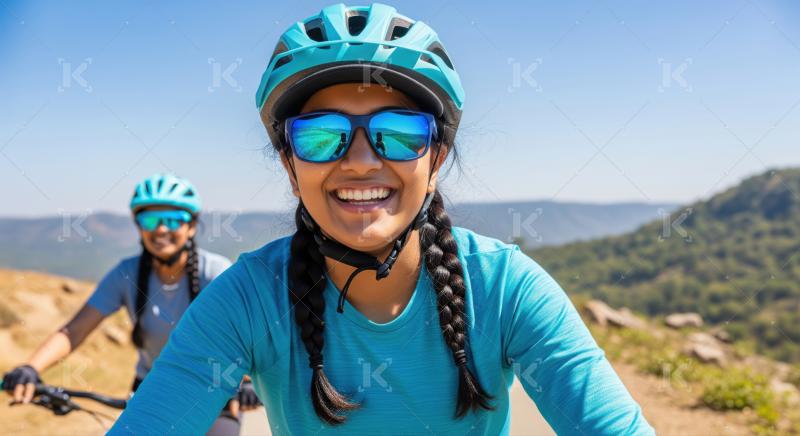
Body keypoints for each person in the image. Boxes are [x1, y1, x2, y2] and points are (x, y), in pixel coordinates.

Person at [110, 4, 655, 435]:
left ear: (436, 159)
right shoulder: (249, 298)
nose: (362, 159)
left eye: (399, 133)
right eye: (322, 136)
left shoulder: (506, 289)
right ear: (289, 163)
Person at [2, 173, 260, 434]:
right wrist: (30, 367)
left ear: (191, 226)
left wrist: (248, 382)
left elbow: (249, 334)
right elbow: (74, 330)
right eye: (150, 220)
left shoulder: (216, 272)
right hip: (152, 392)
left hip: (215, 394)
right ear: (139, 226)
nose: (160, 229)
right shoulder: (127, 274)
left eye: (173, 219)